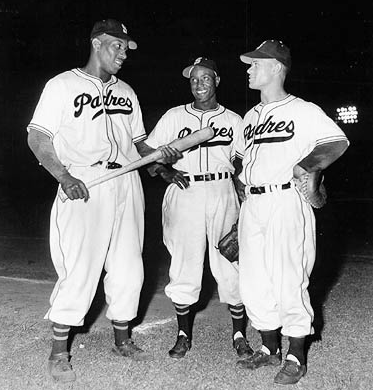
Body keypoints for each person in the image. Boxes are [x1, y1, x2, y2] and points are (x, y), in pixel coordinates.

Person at [27, 19, 181, 383]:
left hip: (127, 180)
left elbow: (139, 144)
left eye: (126, 48)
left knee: (130, 266)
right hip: (85, 178)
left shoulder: (127, 91)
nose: (123, 53)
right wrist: (64, 176)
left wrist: (161, 156)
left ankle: (122, 339)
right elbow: (38, 137)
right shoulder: (62, 85)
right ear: (97, 43)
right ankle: (58, 353)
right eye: (117, 46)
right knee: (80, 266)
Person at [234, 40, 349, 385]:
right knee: (253, 279)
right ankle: (269, 348)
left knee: (289, 275)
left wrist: (305, 168)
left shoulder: (302, 110)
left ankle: (297, 354)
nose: (249, 69)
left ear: (276, 68)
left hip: (285, 200)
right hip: (252, 203)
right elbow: (240, 158)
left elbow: (335, 141)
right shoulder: (250, 117)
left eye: (256, 63)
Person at [145, 57, 253, 359]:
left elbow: (243, 159)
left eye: (205, 78)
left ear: (217, 81)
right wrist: (166, 171)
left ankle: (240, 335)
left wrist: (242, 187)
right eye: (193, 78)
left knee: (230, 262)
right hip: (185, 189)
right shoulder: (173, 117)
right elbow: (147, 152)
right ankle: (183, 334)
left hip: (221, 189)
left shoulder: (234, 120)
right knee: (184, 263)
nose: (199, 83)